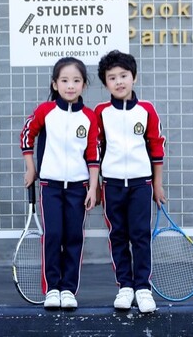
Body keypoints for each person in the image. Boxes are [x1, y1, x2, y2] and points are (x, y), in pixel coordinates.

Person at [20, 57, 100, 309]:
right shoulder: (45, 111)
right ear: (55, 84)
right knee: (53, 236)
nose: (70, 86)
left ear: (84, 85)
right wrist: (31, 168)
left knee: (74, 237)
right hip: (50, 188)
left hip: (78, 189)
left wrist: (94, 188)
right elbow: (26, 135)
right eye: (64, 80)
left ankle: (68, 290)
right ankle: (52, 288)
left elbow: (93, 154)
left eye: (76, 80)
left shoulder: (89, 117)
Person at [94, 50, 166, 313]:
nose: (119, 81)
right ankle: (125, 286)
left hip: (141, 184)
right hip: (111, 184)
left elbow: (157, 148)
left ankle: (143, 288)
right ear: (105, 83)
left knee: (140, 235)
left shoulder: (146, 110)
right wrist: (97, 185)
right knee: (118, 235)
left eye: (124, 75)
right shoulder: (100, 112)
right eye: (112, 78)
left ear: (134, 77)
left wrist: (156, 184)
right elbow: (95, 150)